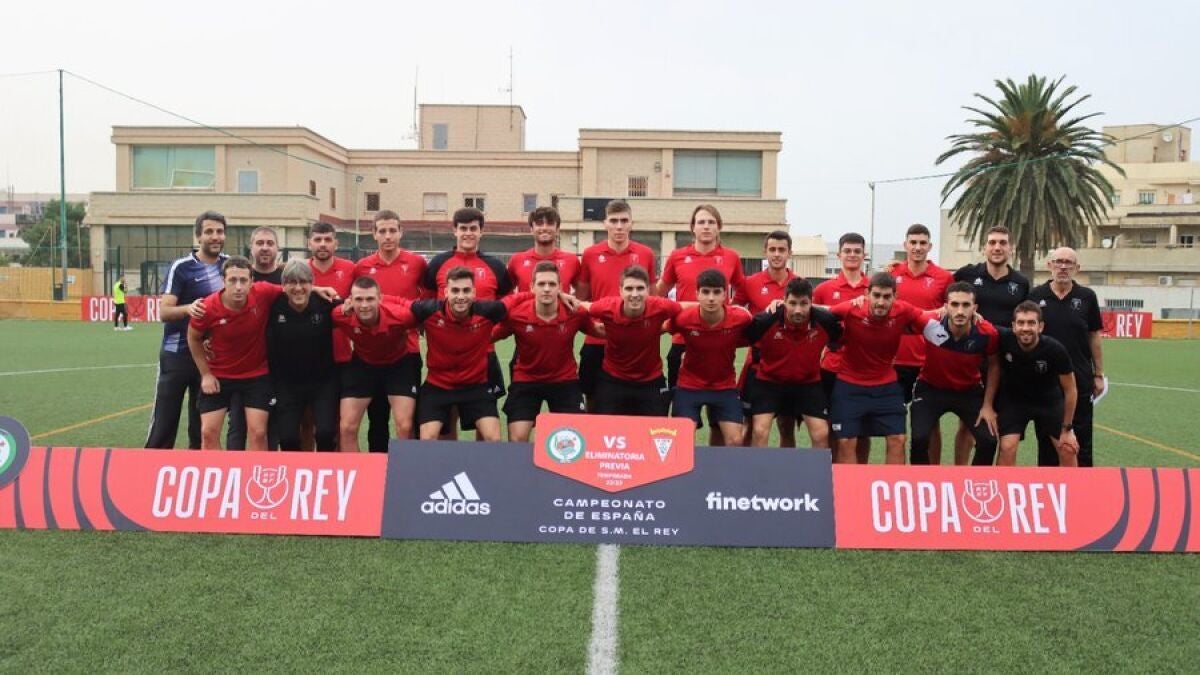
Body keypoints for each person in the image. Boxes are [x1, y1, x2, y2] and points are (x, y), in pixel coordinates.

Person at [144, 210, 227, 449]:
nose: (215, 236)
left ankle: (197, 468)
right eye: (209, 232)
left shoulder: (229, 266)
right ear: (198, 236)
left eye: (220, 231)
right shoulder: (181, 267)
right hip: (176, 355)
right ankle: (153, 465)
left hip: (210, 359)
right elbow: (164, 312)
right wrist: (189, 308)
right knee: (164, 423)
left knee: (201, 428)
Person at [827, 273, 928, 464]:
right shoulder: (851, 308)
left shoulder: (903, 310)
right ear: (867, 294)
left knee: (898, 439)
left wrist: (951, 311)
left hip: (886, 387)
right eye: (877, 295)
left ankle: (893, 483)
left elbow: (929, 315)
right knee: (846, 441)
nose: (881, 302)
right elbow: (820, 312)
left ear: (895, 297)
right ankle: (851, 484)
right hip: (849, 385)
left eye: (887, 296)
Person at [951, 224, 1030, 463]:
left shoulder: (1021, 283)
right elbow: (941, 291)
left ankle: (995, 477)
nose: (997, 247)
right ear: (984, 248)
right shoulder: (966, 274)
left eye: (1002, 243)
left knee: (1000, 426)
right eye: (992, 242)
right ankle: (959, 473)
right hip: (970, 361)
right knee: (967, 425)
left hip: (1006, 363)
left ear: (1011, 248)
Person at [187, 257, 283, 450]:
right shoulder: (208, 307)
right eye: (232, 280)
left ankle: (257, 470)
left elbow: (294, 289)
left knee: (258, 433)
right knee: (208, 433)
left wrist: (319, 289)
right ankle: (215, 469)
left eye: (243, 280)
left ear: (251, 281)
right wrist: (206, 374)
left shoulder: (263, 292)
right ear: (223, 280)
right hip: (219, 375)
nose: (238, 287)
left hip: (256, 375)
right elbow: (193, 337)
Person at [493, 261, 596, 442]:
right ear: (532, 287)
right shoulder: (516, 315)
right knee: (517, 438)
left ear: (560, 288)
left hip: (565, 380)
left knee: (574, 438)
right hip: (526, 380)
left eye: (551, 284)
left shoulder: (575, 312)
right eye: (541, 284)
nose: (547, 289)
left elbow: (601, 331)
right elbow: (488, 336)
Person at [353, 210, 427, 451]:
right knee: (377, 418)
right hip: (372, 353)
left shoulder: (416, 264)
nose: (388, 236)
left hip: (407, 352)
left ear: (400, 232)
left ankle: (409, 468)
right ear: (374, 234)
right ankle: (378, 467)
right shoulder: (362, 267)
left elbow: (425, 301)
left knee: (408, 421)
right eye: (382, 231)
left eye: (392, 230)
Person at [423, 207, 513, 405]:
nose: (468, 233)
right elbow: (426, 306)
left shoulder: (496, 267)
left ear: (481, 231)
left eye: (473, 228)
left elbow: (507, 310)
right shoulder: (438, 263)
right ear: (454, 230)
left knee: (484, 412)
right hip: (445, 354)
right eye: (463, 228)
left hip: (484, 354)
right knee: (447, 412)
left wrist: (490, 335)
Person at [412, 267, 511, 441]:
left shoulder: (488, 311)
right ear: (446, 292)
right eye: (455, 290)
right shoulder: (428, 310)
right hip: (437, 386)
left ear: (474, 293)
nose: (460, 296)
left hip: (476, 386)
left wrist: (557, 296)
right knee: (427, 439)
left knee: (493, 439)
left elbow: (516, 301)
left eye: (466, 290)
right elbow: (400, 305)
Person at [575, 200, 657, 409]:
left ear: (631, 223)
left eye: (624, 221)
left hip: (635, 341)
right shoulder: (591, 254)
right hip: (598, 340)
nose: (619, 226)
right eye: (613, 221)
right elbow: (582, 299)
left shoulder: (646, 254)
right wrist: (592, 326)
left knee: (635, 401)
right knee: (593, 398)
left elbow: (653, 298)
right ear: (605, 223)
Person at [909, 282, 1001, 466]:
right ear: (946, 306)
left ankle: (974, 481)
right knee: (919, 439)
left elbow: (994, 365)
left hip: (968, 391)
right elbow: (901, 315)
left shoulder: (987, 332)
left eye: (966, 305)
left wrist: (987, 405)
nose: (960, 311)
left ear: (975, 308)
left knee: (989, 441)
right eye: (954, 304)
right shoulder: (930, 322)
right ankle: (923, 480)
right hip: (930, 388)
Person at [1028, 247, 1104, 467]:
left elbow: (1094, 336)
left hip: (1079, 378)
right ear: (1049, 266)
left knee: (1082, 438)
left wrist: (1098, 374)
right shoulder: (1036, 296)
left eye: (1068, 263)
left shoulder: (1087, 297)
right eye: (1058, 261)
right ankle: (1049, 482)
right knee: (1046, 438)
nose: (1063, 266)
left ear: (1077, 268)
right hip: (1045, 379)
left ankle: (1084, 482)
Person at [743, 278, 838, 448]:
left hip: (808, 383)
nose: (798, 310)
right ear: (784, 301)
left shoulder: (826, 321)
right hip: (769, 381)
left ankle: (815, 467)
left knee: (821, 433)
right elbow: (743, 335)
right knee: (759, 431)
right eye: (793, 303)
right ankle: (759, 466)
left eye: (804, 303)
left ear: (812, 303)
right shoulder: (766, 321)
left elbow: (841, 337)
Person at [333, 276, 421, 453]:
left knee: (405, 426)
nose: (364, 305)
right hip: (363, 366)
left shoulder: (401, 316)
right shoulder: (340, 315)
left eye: (370, 299)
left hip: (398, 366)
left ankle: (405, 468)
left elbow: (429, 317)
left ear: (380, 299)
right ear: (350, 300)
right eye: (359, 299)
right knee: (347, 427)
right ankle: (356, 470)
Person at [583, 265, 680, 416]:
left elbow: (684, 308)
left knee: (655, 428)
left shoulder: (660, 306)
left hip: (651, 381)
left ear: (648, 290)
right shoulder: (606, 307)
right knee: (606, 426)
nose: (635, 294)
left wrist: (664, 327)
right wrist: (564, 297)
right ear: (620, 291)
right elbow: (582, 307)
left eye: (640, 288)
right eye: (629, 288)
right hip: (613, 379)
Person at [668, 269, 753, 443]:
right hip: (689, 385)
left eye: (716, 292)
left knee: (735, 441)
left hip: (724, 386)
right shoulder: (683, 319)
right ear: (697, 294)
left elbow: (756, 334)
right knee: (682, 440)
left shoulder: (741, 318)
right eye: (706, 292)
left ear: (725, 294)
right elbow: (659, 329)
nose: (711, 298)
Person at [996, 301, 1080, 467]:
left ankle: (1072, 484)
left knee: (1067, 448)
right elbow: (978, 323)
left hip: (1048, 401)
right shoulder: (1004, 338)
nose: (1025, 328)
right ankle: (1005, 483)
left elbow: (1071, 389)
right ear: (1013, 326)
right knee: (1007, 447)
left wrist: (1067, 429)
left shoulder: (1055, 350)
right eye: (1021, 323)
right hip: (1015, 401)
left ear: (1040, 327)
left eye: (1031, 323)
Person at [733, 230, 797, 445]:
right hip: (757, 365)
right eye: (772, 249)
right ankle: (747, 466)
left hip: (789, 364)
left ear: (789, 253)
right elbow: (734, 313)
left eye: (781, 250)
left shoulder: (799, 284)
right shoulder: (750, 282)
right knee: (750, 426)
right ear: (765, 252)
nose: (777, 254)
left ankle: (786, 467)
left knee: (787, 426)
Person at [267, 260, 338, 452]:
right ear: (283, 285)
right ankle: (295, 471)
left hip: (322, 382)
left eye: (304, 282)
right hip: (286, 383)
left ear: (311, 284)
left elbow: (352, 309)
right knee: (288, 438)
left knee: (325, 433)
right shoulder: (273, 306)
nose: (298, 288)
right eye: (292, 282)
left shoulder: (326, 304)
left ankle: (325, 468)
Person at [812, 232, 871, 461]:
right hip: (832, 366)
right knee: (830, 425)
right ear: (838, 255)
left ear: (864, 255)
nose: (852, 255)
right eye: (847, 251)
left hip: (864, 367)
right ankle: (831, 470)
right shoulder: (824, 289)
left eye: (857, 251)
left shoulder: (873, 288)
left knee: (862, 429)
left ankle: (860, 474)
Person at [507, 206, 580, 292]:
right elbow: (506, 293)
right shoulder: (516, 260)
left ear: (557, 229)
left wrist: (567, 299)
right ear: (531, 229)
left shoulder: (572, 261)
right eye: (539, 223)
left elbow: (583, 293)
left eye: (550, 223)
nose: (544, 228)